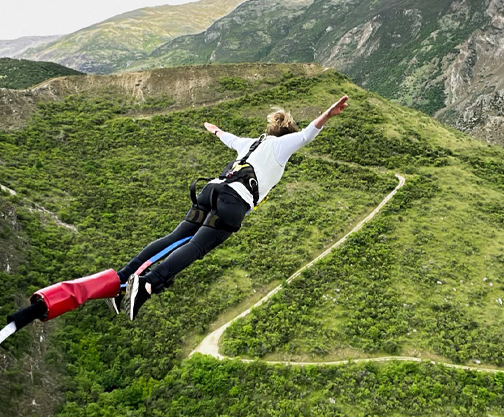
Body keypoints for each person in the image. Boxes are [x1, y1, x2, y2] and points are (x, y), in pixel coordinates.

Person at [113, 95, 350, 320]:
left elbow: (229, 138)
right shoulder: (280, 146)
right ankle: (148, 284)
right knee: (196, 247)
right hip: (233, 202)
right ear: (287, 135)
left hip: (211, 190)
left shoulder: (252, 143)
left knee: (174, 238)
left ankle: (121, 280)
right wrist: (328, 114)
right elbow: (307, 135)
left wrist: (215, 130)